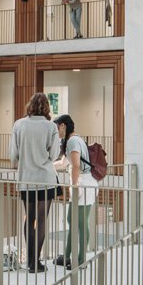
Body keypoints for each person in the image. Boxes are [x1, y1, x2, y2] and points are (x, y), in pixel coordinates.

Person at [11, 93, 60, 273]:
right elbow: (54, 155)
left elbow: (13, 155)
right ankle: (36, 262)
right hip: (46, 179)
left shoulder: (19, 124)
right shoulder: (51, 127)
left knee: (28, 217)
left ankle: (30, 260)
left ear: (30, 105)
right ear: (47, 107)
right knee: (41, 221)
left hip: (26, 178)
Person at [52, 112, 97, 269]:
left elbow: (76, 165)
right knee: (73, 220)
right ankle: (67, 256)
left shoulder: (73, 141)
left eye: (56, 128)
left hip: (82, 184)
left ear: (63, 126)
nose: (56, 132)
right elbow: (64, 163)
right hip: (82, 183)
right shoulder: (73, 140)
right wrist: (47, 166)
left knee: (81, 223)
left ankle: (81, 259)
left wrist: (75, 186)